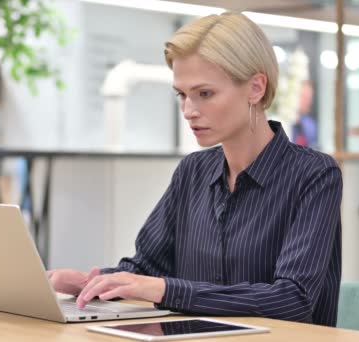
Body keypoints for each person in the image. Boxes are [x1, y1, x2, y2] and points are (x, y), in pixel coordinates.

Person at [48, 12, 342, 327]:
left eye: (204, 94)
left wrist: (166, 289)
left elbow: (292, 299)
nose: (189, 111)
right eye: (182, 95)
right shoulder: (193, 171)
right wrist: (93, 283)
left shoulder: (315, 175)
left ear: (255, 88)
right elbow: (148, 267)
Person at [291, 80, 318, 148]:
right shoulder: (288, 119)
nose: (307, 101)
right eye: (304, 97)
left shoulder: (311, 124)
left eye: (309, 98)